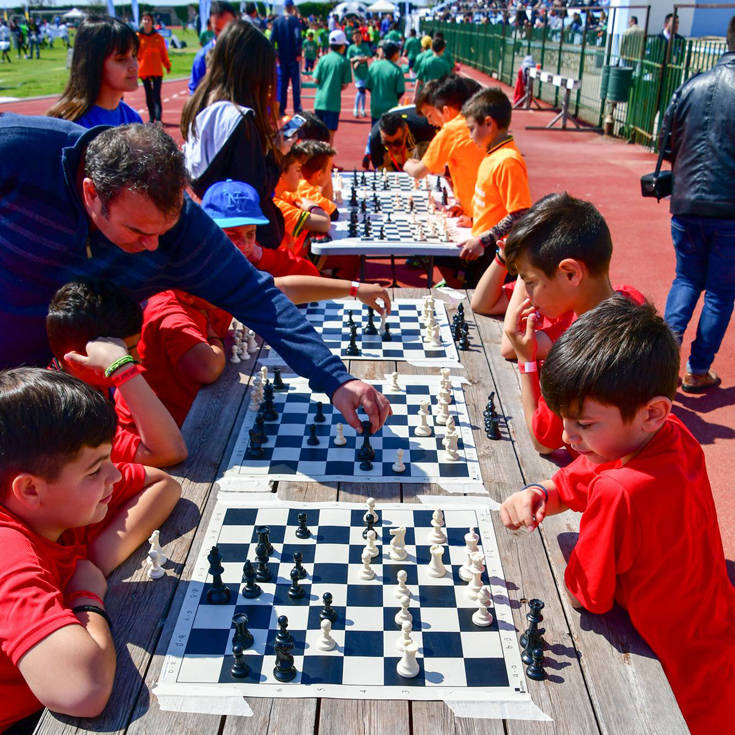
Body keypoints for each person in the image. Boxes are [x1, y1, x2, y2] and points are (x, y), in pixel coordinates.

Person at [0, 119, 392, 435]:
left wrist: (336, 379)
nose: (154, 246)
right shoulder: (18, 150)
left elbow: (258, 296)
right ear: (91, 194)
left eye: (163, 230)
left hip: (76, 378)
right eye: (138, 231)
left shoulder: (185, 231)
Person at [499, 297, 735, 735]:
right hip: (717, 640)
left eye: (584, 425)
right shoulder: (673, 435)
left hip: (676, 678)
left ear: (652, 413)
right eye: (565, 420)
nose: (566, 437)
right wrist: (542, 491)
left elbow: (586, 594)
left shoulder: (618, 491)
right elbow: (588, 472)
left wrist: (578, 547)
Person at [0, 367, 182, 733]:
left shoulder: (57, 507)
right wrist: (85, 594)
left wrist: (95, 561)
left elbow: (164, 485)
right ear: (31, 490)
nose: (115, 476)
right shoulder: (8, 550)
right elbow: (82, 691)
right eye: (95, 470)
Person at [131, 180, 390, 426]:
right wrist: (214, 339)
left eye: (251, 234)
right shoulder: (170, 306)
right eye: (231, 236)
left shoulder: (219, 281)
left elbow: (284, 289)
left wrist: (354, 288)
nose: (242, 245)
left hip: (202, 411)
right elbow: (206, 368)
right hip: (165, 429)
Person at [487, 193, 644, 454]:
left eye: (530, 282)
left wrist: (527, 360)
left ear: (571, 274)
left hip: (589, 473)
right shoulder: (632, 299)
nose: (527, 294)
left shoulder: (576, 353)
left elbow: (542, 441)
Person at [659, 16, 735, 393]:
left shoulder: (692, 84)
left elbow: (665, 139)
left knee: (686, 278)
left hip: (686, 200)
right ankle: (698, 369)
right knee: (720, 292)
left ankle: (661, 365)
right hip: (729, 208)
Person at [45, 280, 187, 467]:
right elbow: (171, 451)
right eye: (125, 352)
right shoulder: (71, 418)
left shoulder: (81, 382)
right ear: (77, 360)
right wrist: (120, 367)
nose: (138, 359)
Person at [181, 19, 285, 250]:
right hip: (246, 242)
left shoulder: (199, 105)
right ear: (253, 73)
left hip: (213, 228)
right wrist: (278, 156)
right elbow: (253, 190)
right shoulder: (240, 120)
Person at [457, 87, 532, 286]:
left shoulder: (507, 161)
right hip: (486, 249)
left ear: (489, 123)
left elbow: (520, 213)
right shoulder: (492, 155)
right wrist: (474, 220)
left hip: (498, 254)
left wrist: (483, 240)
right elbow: (494, 204)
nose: (470, 136)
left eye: (472, 129)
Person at [404, 74, 485, 222]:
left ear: (446, 111)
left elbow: (418, 172)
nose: (430, 122)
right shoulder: (479, 123)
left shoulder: (451, 130)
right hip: (484, 214)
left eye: (431, 115)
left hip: (485, 219)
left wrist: (407, 163)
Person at [47, 16, 143, 128]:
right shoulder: (67, 124)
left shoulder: (133, 119)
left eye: (134, 55)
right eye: (121, 59)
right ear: (93, 63)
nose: (134, 66)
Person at [275, 153, 332, 259]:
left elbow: (331, 212)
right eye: (297, 170)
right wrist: (311, 206)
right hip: (283, 264)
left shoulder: (287, 195)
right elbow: (324, 222)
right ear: (281, 174)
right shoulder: (278, 206)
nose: (301, 175)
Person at [365, 106, 437, 171]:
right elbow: (381, 169)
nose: (393, 148)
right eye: (387, 143)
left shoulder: (426, 126)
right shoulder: (375, 139)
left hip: (421, 131)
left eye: (397, 143)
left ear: (406, 131)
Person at [187, 1, 236, 94]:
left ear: (236, 21)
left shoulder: (246, 51)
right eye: (218, 30)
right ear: (210, 25)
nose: (223, 34)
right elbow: (194, 92)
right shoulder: (202, 57)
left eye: (227, 28)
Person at [313, 29, 352, 144]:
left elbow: (315, 79)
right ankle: (327, 155)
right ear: (343, 46)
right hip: (333, 103)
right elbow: (345, 85)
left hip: (319, 101)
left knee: (318, 135)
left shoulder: (323, 59)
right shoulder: (344, 61)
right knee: (329, 135)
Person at [137, 12, 170, 123]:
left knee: (156, 95)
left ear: (152, 22)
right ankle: (151, 118)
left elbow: (163, 53)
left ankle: (158, 118)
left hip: (156, 70)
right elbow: (135, 53)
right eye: (144, 19)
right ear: (142, 21)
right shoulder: (138, 37)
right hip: (144, 70)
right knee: (148, 95)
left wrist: (167, 65)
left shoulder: (158, 38)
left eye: (148, 19)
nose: (146, 22)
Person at [271, 0, 303, 116]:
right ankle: (297, 108)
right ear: (292, 7)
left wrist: (276, 54)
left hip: (282, 57)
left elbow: (271, 40)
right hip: (293, 57)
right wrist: (298, 53)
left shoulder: (277, 21)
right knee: (295, 85)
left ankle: (281, 109)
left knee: (283, 84)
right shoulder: (295, 21)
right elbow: (298, 37)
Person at [294, 140, 339, 219]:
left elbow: (327, 199)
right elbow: (333, 213)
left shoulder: (301, 184)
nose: (330, 173)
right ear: (319, 174)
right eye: (330, 169)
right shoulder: (307, 190)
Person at [365, 41, 405, 126]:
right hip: (390, 108)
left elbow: (368, 86)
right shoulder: (396, 70)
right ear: (395, 54)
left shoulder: (373, 66)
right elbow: (400, 91)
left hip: (375, 107)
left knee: (375, 131)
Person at [347, 27, 373, 118]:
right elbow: (348, 59)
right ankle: (355, 109)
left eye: (359, 36)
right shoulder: (351, 48)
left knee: (363, 91)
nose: (357, 38)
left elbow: (368, 56)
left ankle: (362, 109)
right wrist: (355, 59)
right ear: (353, 38)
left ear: (361, 37)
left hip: (365, 72)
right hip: (357, 74)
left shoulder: (365, 46)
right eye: (355, 37)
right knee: (361, 89)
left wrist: (359, 60)